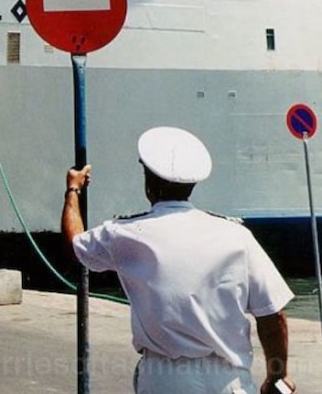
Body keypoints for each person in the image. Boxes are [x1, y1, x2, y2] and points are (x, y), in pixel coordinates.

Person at [61, 126, 296, 394]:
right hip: (229, 381)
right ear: (193, 184)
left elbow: (74, 246)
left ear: (148, 181)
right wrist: (278, 375)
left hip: (165, 379)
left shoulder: (124, 234)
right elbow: (272, 315)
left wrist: (73, 190)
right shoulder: (237, 235)